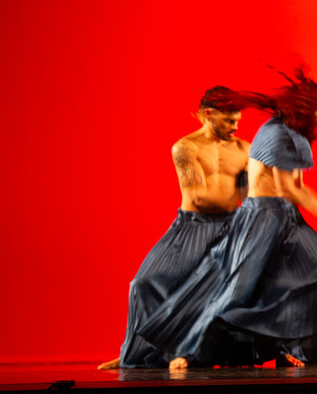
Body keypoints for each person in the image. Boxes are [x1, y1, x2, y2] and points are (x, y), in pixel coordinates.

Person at [136, 67, 317, 369]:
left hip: (287, 218)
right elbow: (289, 187)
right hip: (264, 216)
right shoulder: (274, 133)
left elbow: (291, 189)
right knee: (237, 290)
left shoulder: (293, 133)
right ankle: (189, 350)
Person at [99, 87, 249, 369]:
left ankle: (200, 354)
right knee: (143, 284)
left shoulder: (245, 149)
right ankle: (136, 353)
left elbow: (250, 196)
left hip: (231, 226)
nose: (235, 127)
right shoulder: (185, 148)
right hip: (192, 226)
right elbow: (199, 196)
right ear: (209, 114)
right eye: (229, 120)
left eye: (238, 120)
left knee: (225, 287)